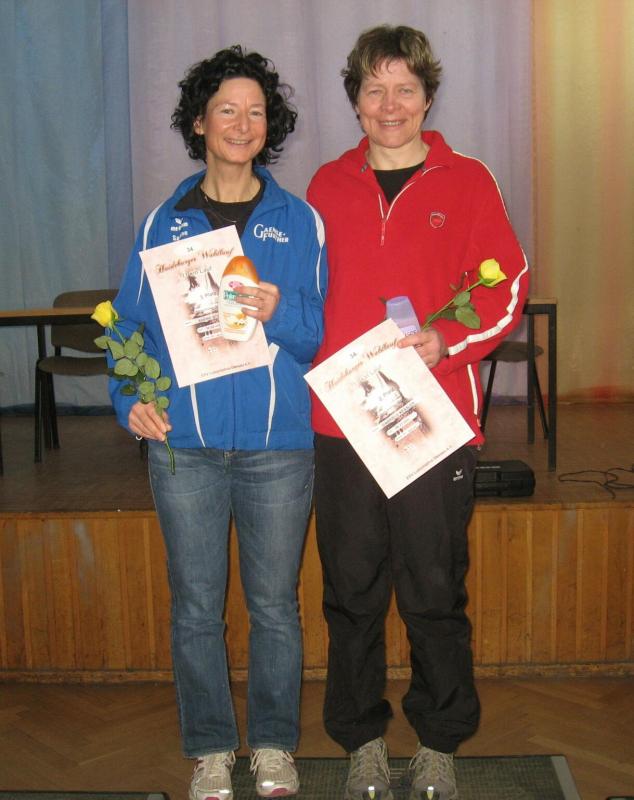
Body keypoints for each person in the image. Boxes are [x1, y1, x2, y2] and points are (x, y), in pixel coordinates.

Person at [307, 24, 529, 800]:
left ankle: (438, 742)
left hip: (432, 424)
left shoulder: (467, 180)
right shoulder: (326, 186)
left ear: (428, 97)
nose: (390, 104)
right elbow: (303, 296)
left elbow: (508, 284)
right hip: (342, 426)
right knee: (351, 592)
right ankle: (362, 741)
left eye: (405, 89)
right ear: (356, 101)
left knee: (434, 590)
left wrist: (446, 341)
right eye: (375, 89)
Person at [110, 46, 326, 800]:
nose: (242, 123)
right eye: (226, 109)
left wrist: (279, 309)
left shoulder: (300, 221)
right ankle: (209, 750)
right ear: (199, 123)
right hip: (186, 449)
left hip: (278, 449)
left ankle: (272, 745)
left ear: (271, 126)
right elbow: (128, 327)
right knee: (197, 609)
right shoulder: (160, 226)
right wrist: (127, 399)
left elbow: (318, 335)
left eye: (256, 111)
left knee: (276, 609)